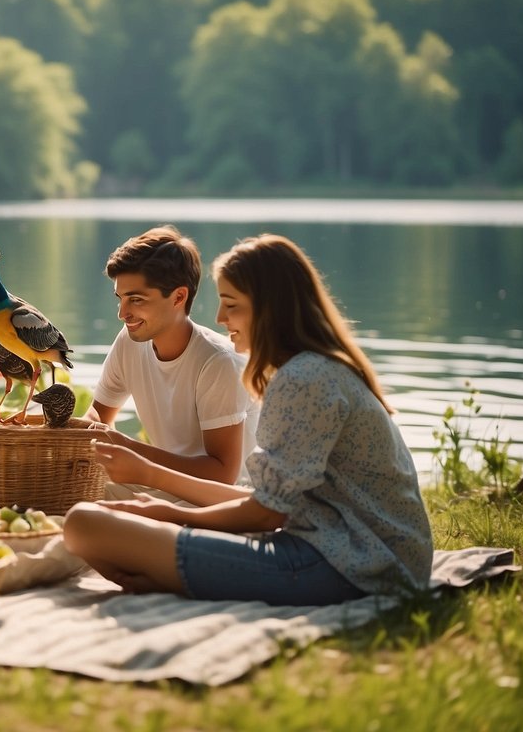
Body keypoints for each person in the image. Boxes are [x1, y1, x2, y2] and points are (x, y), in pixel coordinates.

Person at [63, 234, 434, 605]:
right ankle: (165, 576)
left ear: (270, 307)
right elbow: (268, 502)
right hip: (346, 551)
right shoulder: (306, 370)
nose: (220, 318)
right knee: (93, 521)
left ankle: (166, 577)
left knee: (85, 525)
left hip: (353, 565)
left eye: (231, 305)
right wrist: (159, 500)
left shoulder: (303, 379)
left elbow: (263, 514)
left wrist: (170, 513)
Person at [87, 226, 257, 493]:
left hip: (225, 500)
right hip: (164, 486)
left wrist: (130, 449)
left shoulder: (218, 362)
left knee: (89, 515)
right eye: (120, 299)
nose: (123, 313)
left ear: (179, 297)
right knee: (77, 501)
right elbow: (99, 417)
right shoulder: (130, 340)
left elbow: (223, 474)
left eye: (136, 299)